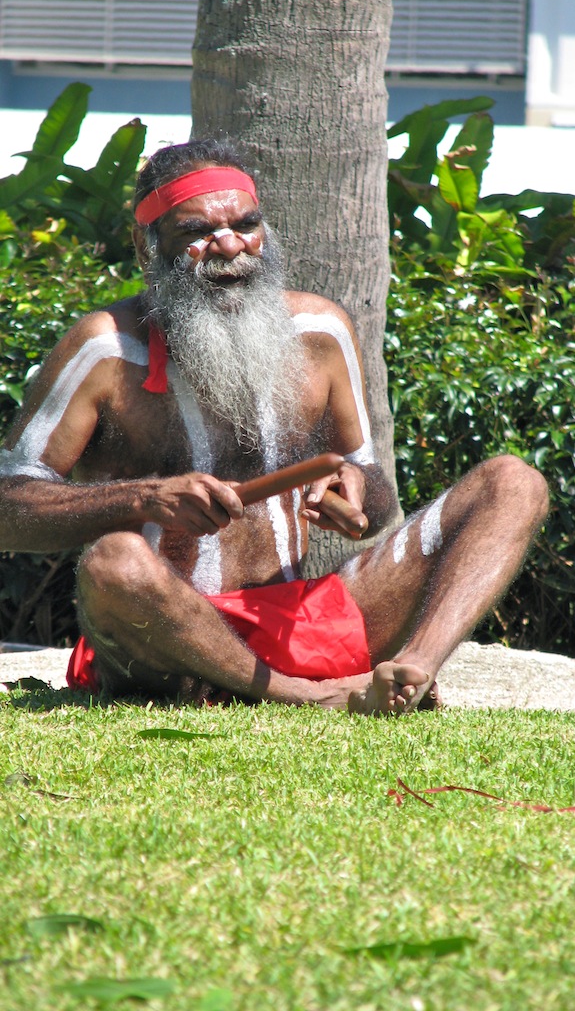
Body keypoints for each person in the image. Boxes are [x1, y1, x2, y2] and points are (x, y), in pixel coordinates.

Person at [0, 139, 548, 715]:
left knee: (514, 483)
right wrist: (143, 498)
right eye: (197, 232)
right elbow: (7, 509)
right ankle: (316, 699)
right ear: (147, 245)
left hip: (300, 621)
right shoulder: (105, 349)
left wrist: (357, 496)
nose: (231, 246)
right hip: (163, 638)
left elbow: (375, 505)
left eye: (247, 224)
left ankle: (410, 671)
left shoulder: (320, 331)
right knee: (114, 561)